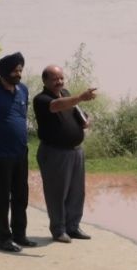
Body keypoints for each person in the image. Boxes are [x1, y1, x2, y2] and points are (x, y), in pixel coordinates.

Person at [0, 52, 35, 252]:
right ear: (3, 72)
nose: (19, 74)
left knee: (21, 194)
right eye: (15, 70)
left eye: (20, 70)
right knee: (2, 197)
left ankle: (20, 234)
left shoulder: (23, 90)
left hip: (21, 152)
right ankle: (3, 237)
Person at [34, 65, 96, 242]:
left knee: (77, 191)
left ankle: (73, 226)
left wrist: (85, 121)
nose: (59, 82)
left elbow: (77, 115)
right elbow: (56, 106)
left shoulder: (66, 94)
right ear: (45, 81)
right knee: (57, 193)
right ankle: (59, 229)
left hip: (75, 152)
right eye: (54, 79)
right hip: (55, 152)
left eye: (61, 78)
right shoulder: (42, 99)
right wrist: (80, 98)